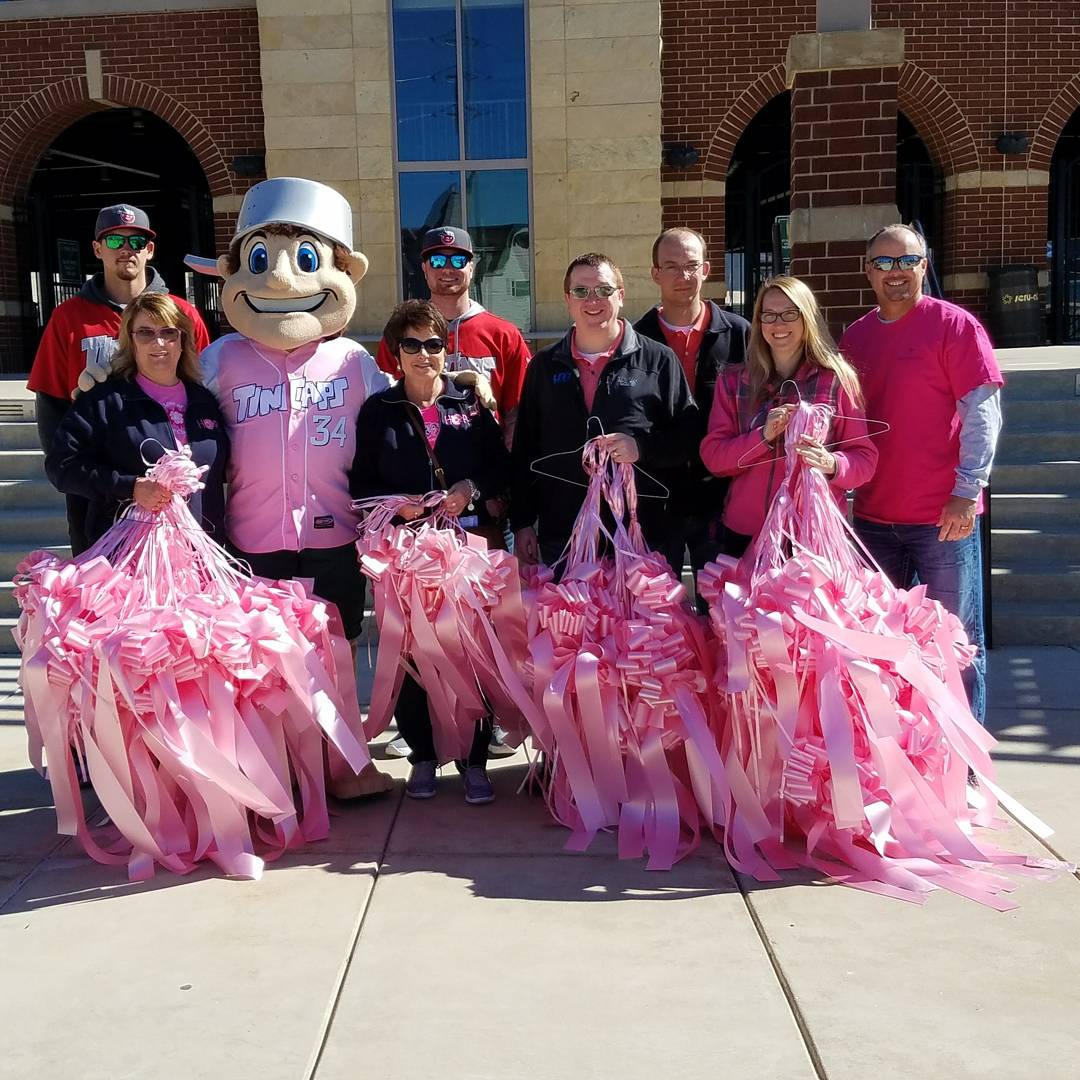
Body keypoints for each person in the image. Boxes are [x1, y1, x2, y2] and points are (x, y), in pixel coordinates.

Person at [193, 176, 395, 798]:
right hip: (252, 539)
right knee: (262, 660)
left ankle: (338, 766)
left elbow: (402, 434)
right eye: (261, 260)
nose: (282, 281)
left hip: (333, 536)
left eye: (307, 260)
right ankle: (276, 766)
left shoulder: (354, 363)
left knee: (335, 651)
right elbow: (174, 415)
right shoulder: (221, 357)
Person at [840, 224, 1003, 725]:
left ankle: (965, 769)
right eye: (884, 262)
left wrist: (967, 490)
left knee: (955, 643)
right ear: (867, 271)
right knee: (883, 644)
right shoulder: (856, 336)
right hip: (873, 519)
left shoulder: (954, 326)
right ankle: (905, 757)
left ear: (924, 265)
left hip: (941, 519)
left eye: (906, 261)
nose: (895, 273)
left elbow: (983, 414)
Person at [350, 300, 512, 804]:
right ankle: (423, 755)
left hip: (467, 547)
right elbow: (360, 482)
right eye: (412, 344)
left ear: (447, 350)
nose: (424, 354)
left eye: (434, 344)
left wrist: (469, 487)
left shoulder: (468, 405)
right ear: (396, 353)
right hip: (408, 555)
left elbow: (500, 469)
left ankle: (475, 761)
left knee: (473, 653)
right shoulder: (379, 410)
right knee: (414, 656)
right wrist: (397, 506)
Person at [28, 204, 211, 555]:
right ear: (98, 249)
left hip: (177, 490)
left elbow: (203, 388)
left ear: (150, 250)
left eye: (137, 241)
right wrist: (72, 474)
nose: (126, 249)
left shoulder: (181, 314)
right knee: (101, 588)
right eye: (113, 240)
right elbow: (51, 402)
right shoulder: (69, 317)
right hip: (100, 490)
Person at [511, 252, 699, 568]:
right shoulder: (544, 367)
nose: (592, 300)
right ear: (568, 300)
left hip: (643, 536)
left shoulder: (658, 361)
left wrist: (641, 448)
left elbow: (689, 437)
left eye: (604, 290)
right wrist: (522, 522)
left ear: (621, 296)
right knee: (566, 620)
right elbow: (525, 449)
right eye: (581, 291)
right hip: (564, 536)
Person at [700, 275, 877, 554]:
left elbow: (864, 460)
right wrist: (763, 437)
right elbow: (714, 457)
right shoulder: (734, 381)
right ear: (758, 323)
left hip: (813, 537)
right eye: (768, 315)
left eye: (789, 314)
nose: (778, 324)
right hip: (746, 534)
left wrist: (831, 463)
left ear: (807, 319)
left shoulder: (837, 380)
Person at [44, 293, 226, 547]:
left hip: (201, 557)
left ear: (182, 340)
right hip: (128, 560)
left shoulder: (205, 401)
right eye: (145, 333)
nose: (158, 342)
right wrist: (130, 486)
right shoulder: (105, 401)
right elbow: (61, 466)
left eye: (169, 332)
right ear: (131, 341)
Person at [634, 227, 750, 603]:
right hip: (655, 500)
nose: (682, 276)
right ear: (655, 273)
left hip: (722, 502)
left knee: (724, 615)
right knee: (657, 621)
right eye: (671, 266)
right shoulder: (635, 340)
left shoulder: (741, 335)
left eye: (691, 266)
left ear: (706, 270)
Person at [374, 226, 530, 442]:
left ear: (472, 268)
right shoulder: (401, 332)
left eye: (458, 261)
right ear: (424, 269)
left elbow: (516, 412)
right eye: (437, 261)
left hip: (485, 462)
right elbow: (382, 402)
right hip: (415, 455)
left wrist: (506, 465)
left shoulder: (504, 335)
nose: (447, 269)